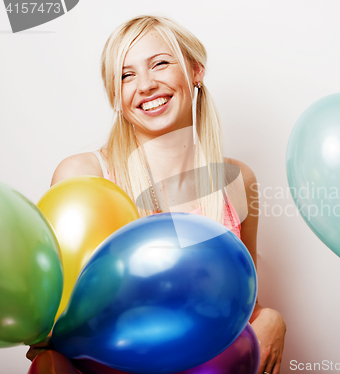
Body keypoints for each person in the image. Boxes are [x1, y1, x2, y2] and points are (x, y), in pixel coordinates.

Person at [28, 15, 286, 374]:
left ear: (195, 70)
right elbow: (51, 326)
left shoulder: (238, 181)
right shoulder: (84, 178)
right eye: (126, 75)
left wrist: (273, 319)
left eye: (160, 64)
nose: (145, 85)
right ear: (115, 95)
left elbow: (242, 305)